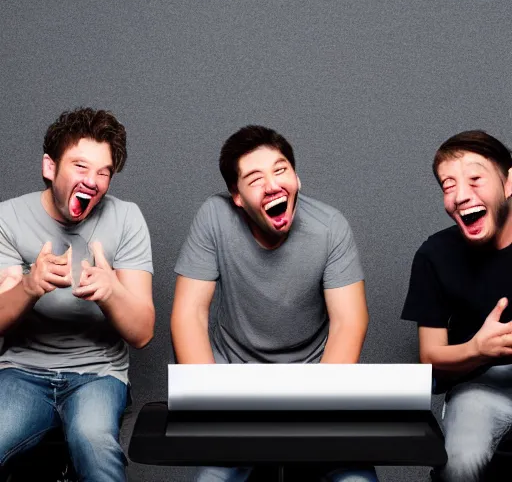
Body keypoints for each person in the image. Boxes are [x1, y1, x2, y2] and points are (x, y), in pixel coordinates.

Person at [171, 125, 377, 482]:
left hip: (315, 380)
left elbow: (350, 320)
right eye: (255, 178)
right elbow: (189, 314)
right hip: (235, 383)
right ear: (236, 196)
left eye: (280, 170)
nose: (272, 185)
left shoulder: (331, 227)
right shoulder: (214, 217)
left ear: (296, 177)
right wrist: (211, 402)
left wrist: (320, 404)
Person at [0, 108, 155, 482]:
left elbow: (143, 333)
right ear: (50, 167)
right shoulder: (8, 218)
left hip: (98, 373)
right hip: (22, 371)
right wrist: (29, 286)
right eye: (81, 167)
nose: (93, 182)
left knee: (94, 442)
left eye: (104, 173)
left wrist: (111, 292)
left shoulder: (127, 218)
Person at [401, 130, 512, 482]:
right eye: (448, 186)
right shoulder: (435, 255)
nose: (461, 195)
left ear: (509, 183)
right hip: (479, 386)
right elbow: (430, 356)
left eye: (475, 179)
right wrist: (479, 349)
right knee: (460, 463)